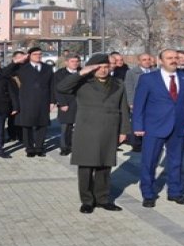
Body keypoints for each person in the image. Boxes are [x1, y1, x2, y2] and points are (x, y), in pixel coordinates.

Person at [56, 54, 131, 214]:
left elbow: (123, 107)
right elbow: (61, 88)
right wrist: (81, 72)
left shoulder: (118, 83)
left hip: (110, 129)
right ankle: (87, 201)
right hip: (87, 129)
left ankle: (103, 199)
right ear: (91, 68)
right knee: (86, 166)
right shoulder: (82, 82)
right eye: (99, 67)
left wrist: (124, 130)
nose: (103, 70)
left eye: (106, 67)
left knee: (105, 166)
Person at [132, 49, 184, 208]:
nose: (174, 60)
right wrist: (138, 126)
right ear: (160, 60)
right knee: (149, 161)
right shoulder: (148, 79)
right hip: (153, 127)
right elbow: (139, 104)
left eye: (176, 57)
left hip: (179, 127)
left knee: (176, 161)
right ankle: (148, 194)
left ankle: (175, 192)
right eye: (169, 58)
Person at [2, 47, 55, 157]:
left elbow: (52, 85)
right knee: (27, 126)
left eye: (40, 54)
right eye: (35, 54)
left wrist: (52, 101)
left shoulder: (47, 68)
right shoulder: (22, 67)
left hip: (43, 101)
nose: (38, 56)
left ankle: (39, 148)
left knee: (42, 125)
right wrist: (16, 61)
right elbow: (4, 73)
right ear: (29, 55)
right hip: (27, 100)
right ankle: (29, 148)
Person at [124, 53, 155, 152]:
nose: (147, 61)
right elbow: (129, 88)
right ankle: (137, 144)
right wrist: (131, 102)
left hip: (152, 102)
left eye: (148, 59)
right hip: (138, 101)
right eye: (144, 60)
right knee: (137, 122)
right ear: (139, 61)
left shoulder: (155, 71)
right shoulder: (132, 72)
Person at [53, 55, 81, 156]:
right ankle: (65, 147)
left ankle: (76, 146)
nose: (75, 63)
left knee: (79, 127)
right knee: (66, 127)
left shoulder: (82, 72)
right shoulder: (59, 74)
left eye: (77, 61)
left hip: (80, 103)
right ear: (66, 63)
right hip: (66, 103)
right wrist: (62, 103)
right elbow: (56, 90)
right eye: (72, 61)